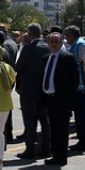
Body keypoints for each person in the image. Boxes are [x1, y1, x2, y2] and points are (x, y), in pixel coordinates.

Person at [41, 32, 79, 167]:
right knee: (54, 130)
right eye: (51, 42)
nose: (53, 44)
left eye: (56, 42)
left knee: (62, 131)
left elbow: (75, 81)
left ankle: (61, 158)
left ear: (62, 42)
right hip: (50, 100)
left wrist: (66, 98)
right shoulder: (47, 58)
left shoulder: (68, 58)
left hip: (62, 101)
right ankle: (55, 155)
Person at [14, 24, 51, 159]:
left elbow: (18, 67)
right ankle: (45, 148)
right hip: (44, 90)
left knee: (30, 121)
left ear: (29, 34)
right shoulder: (47, 47)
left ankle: (30, 149)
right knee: (44, 121)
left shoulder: (28, 48)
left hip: (29, 90)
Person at [64, 26, 85, 153]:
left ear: (73, 35)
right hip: (79, 86)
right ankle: (82, 140)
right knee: (79, 116)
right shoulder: (76, 45)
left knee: (82, 116)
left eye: (67, 35)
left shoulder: (80, 45)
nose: (66, 38)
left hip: (83, 87)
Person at [0, 30, 20, 143]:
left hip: (0, 84)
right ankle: (8, 134)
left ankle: (2, 136)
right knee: (5, 108)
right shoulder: (9, 46)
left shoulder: (0, 52)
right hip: (7, 81)